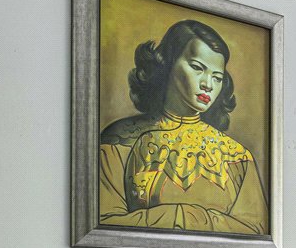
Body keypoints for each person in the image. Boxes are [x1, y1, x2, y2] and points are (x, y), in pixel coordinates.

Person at [98, 19, 268, 234]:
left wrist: (184, 217)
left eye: (217, 77)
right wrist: (184, 216)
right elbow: (105, 222)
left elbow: (255, 230)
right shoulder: (118, 140)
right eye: (197, 68)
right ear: (167, 64)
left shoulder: (237, 156)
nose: (208, 84)